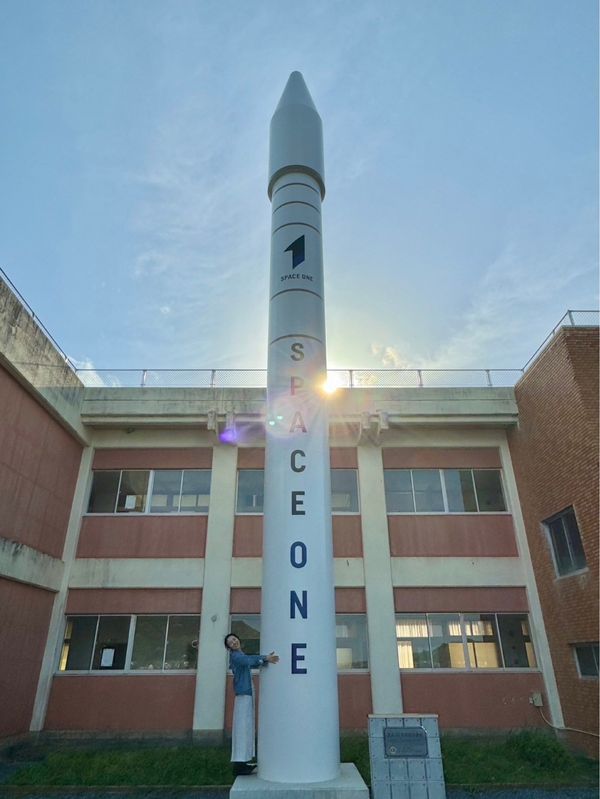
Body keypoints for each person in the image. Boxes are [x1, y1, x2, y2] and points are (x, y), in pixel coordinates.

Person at [224, 632, 279, 776]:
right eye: (230, 642)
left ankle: (243, 762)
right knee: (242, 728)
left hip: (246, 693)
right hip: (243, 695)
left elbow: (248, 659)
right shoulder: (236, 656)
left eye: (235, 639)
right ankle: (239, 765)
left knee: (246, 727)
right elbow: (247, 660)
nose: (234, 642)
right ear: (229, 647)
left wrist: (264, 659)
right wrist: (265, 658)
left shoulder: (239, 654)